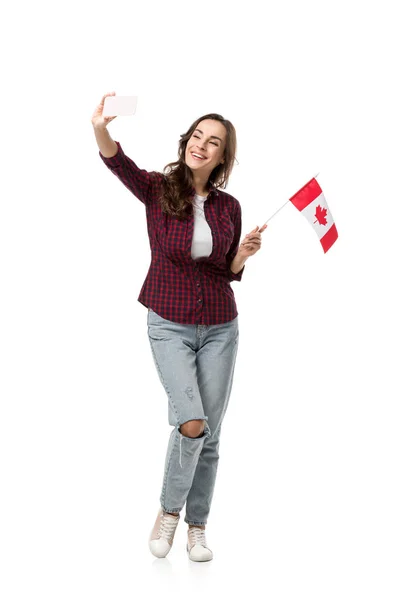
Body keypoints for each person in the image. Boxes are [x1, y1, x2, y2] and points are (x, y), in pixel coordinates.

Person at [91, 92, 267, 562]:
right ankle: (169, 513)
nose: (202, 145)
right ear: (186, 141)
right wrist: (101, 127)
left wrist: (241, 256)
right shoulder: (157, 188)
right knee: (191, 422)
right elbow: (116, 162)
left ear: (222, 157)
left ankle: (197, 525)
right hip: (168, 322)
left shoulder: (229, 207)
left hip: (220, 326)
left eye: (214, 142)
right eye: (197, 136)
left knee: (211, 432)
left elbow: (224, 271)